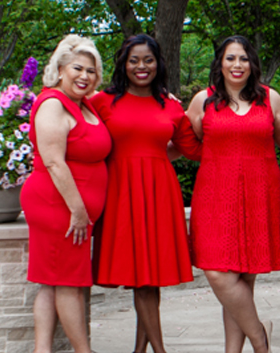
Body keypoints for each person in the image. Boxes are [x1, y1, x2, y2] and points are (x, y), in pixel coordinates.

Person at [184, 35, 280, 353]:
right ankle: (260, 339)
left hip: (260, 193)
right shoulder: (202, 101)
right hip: (214, 197)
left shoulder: (270, 99)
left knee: (243, 280)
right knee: (219, 274)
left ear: (253, 64)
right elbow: (183, 143)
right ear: (219, 63)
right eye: (231, 58)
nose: (237, 65)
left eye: (244, 59)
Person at [90, 34, 200, 353]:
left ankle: (143, 351)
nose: (141, 66)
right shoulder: (101, 101)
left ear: (158, 63)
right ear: (124, 64)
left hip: (158, 192)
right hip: (120, 192)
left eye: (148, 60)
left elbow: (190, 148)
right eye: (134, 60)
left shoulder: (170, 105)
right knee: (142, 279)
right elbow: (86, 136)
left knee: (148, 277)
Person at [23, 34, 109, 353]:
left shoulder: (82, 103)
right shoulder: (53, 104)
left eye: (91, 70)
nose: (84, 76)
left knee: (51, 281)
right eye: (77, 68)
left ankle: (41, 350)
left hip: (68, 207)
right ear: (60, 69)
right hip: (58, 206)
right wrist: (78, 210)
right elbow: (54, 163)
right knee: (70, 285)